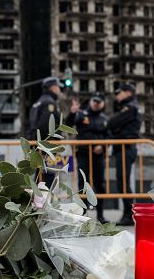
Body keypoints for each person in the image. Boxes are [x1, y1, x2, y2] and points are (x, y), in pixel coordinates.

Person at [66, 94, 108, 223]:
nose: (96, 104)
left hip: (98, 156)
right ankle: (83, 214)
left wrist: (103, 146)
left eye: (99, 102)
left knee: (100, 184)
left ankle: (100, 214)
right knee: (83, 184)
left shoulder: (104, 119)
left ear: (102, 104)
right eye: (94, 101)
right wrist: (72, 113)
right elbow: (68, 124)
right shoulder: (81, 114)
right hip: (83, 154)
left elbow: (109, 136)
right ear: (90, 102)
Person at [107, 83, 142, 226]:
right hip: (123, 148)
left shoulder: (130, 107)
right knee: (122, 181)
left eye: (119, 92)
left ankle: (129, 214)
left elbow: (111, 123)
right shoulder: (128, 107)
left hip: (126, 148)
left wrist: (115, 128)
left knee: (123, 181)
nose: (117, 96)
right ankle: (128, 213)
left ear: (128, 93)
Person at [27, 77, 64, 187]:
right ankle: (43, 203)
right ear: (53, 87)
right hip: (46, 146)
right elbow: (46, 126)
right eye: (58, 87)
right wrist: (48, 145)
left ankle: (38, 202)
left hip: (36, 145)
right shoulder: (49, 103)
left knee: (39, 177)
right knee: (46, 178)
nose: (59, 90)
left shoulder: (38, 102)